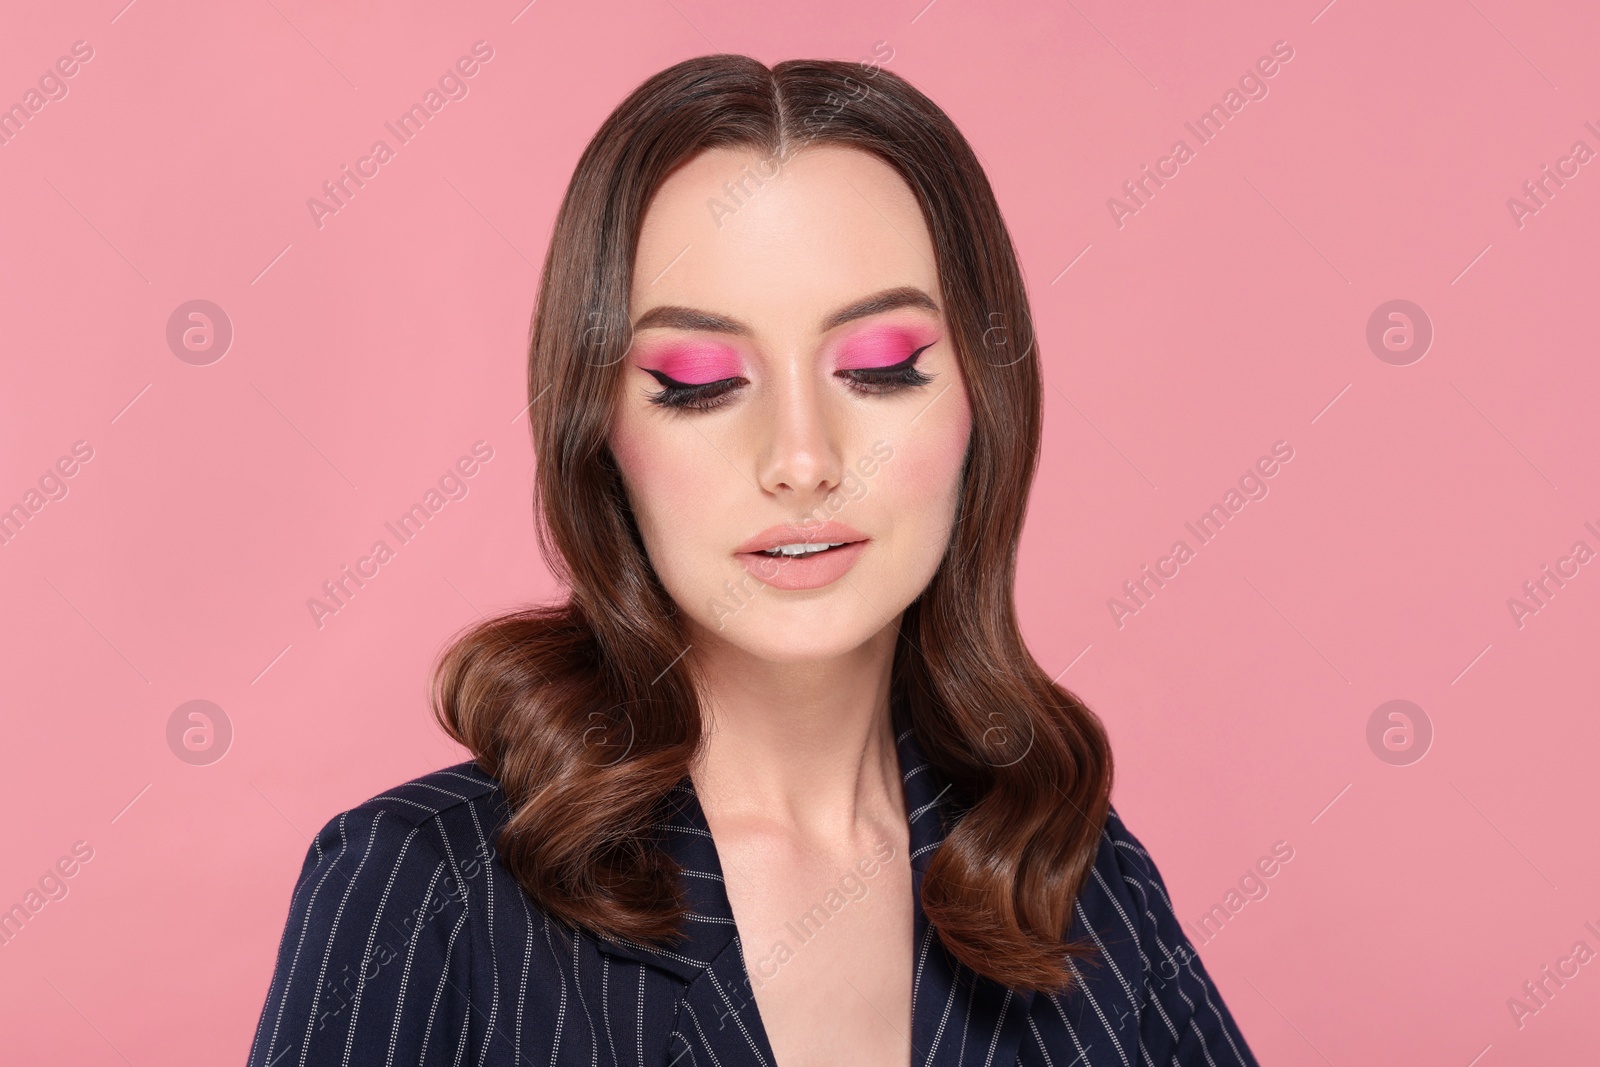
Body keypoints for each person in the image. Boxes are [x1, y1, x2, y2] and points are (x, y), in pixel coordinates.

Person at [246, 53, 1260, 1067]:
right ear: (601, 432)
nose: (802, 460)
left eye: (878, 367)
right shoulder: (424, 886)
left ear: (982, 401)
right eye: (697, 382)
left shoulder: (1074, 880)